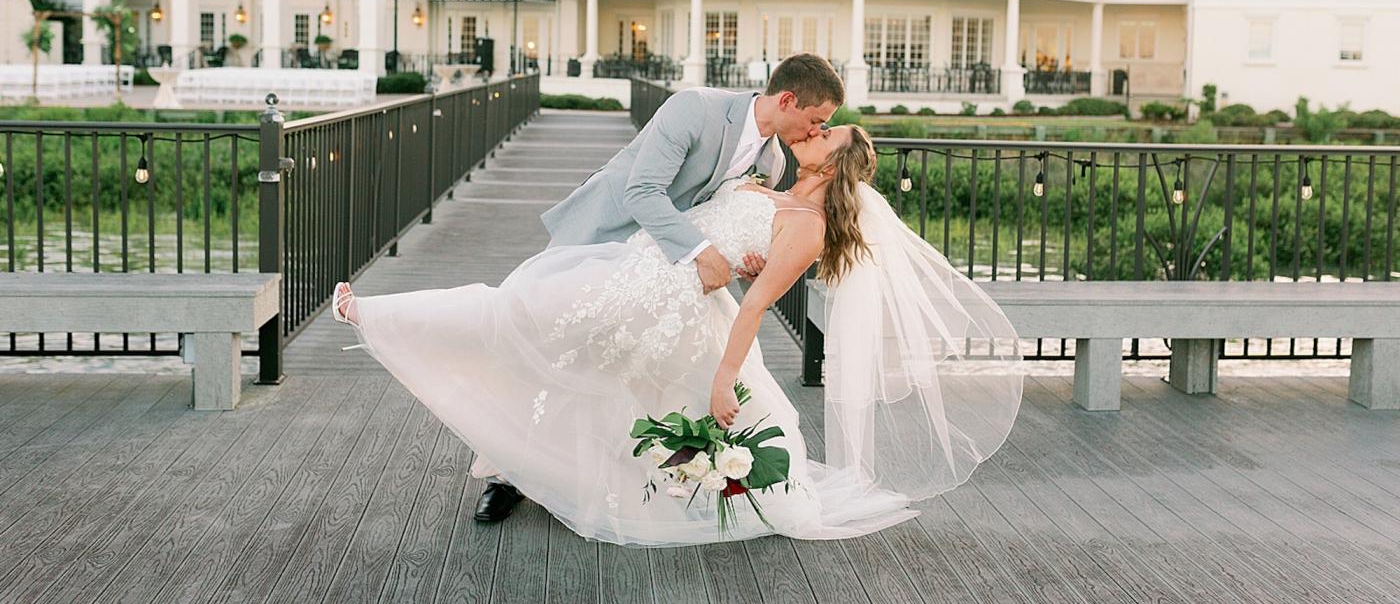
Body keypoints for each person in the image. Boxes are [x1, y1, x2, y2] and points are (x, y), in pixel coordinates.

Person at [333, 121, 1023, 547]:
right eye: (818, 125)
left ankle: (384, 325)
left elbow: (753, 309)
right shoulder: (773, 178)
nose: (814, 132)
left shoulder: (808, 227)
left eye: (825, 137)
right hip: (631, 272)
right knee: (521, 319)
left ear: (836, 167)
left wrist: (725, 377)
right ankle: (509, 461)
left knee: (537, 338)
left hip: (670, 312)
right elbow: (706, 214)